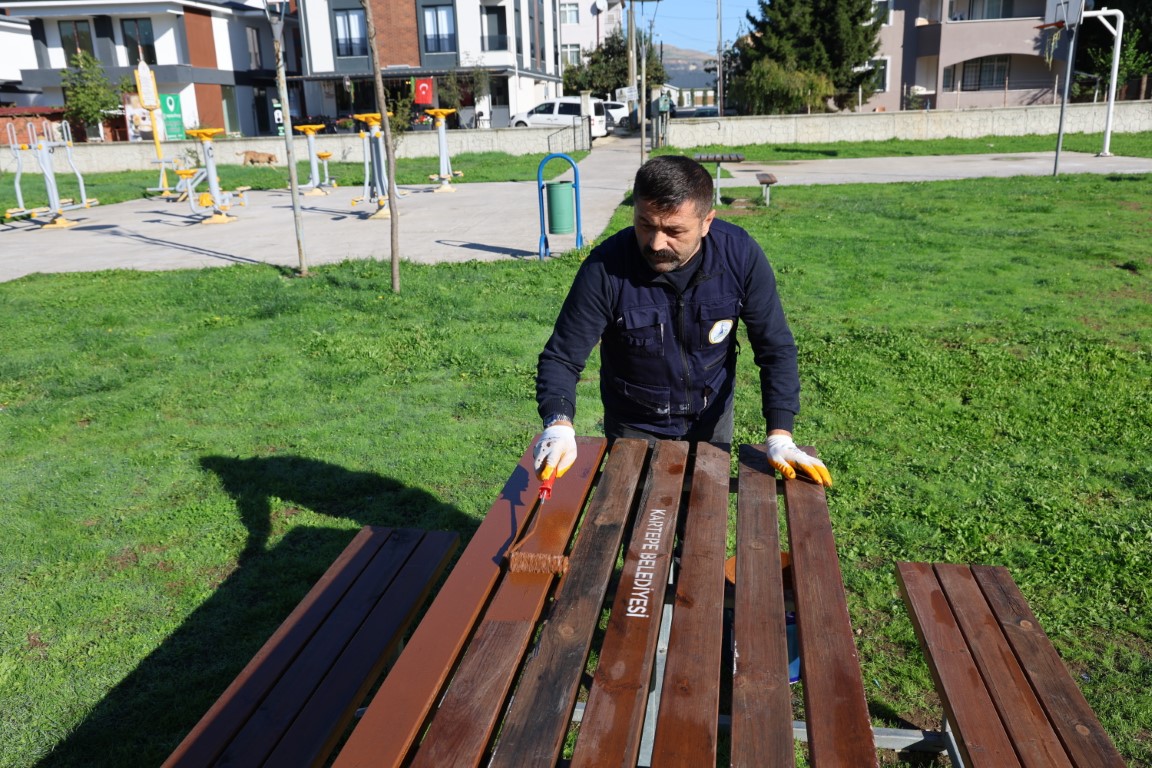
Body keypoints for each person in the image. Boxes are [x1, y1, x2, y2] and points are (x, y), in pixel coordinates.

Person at [532, 155, 831, 487]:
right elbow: (562, 357)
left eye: (674, 230)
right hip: (635, 425)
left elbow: (775, 348)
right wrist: (558, 424)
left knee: (704, 510)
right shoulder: (606, 268)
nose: (656, 243)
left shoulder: (739, 256)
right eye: (646, 224)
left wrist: (780, 434)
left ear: (706, 222)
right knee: (636, 514)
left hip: (711, 419)